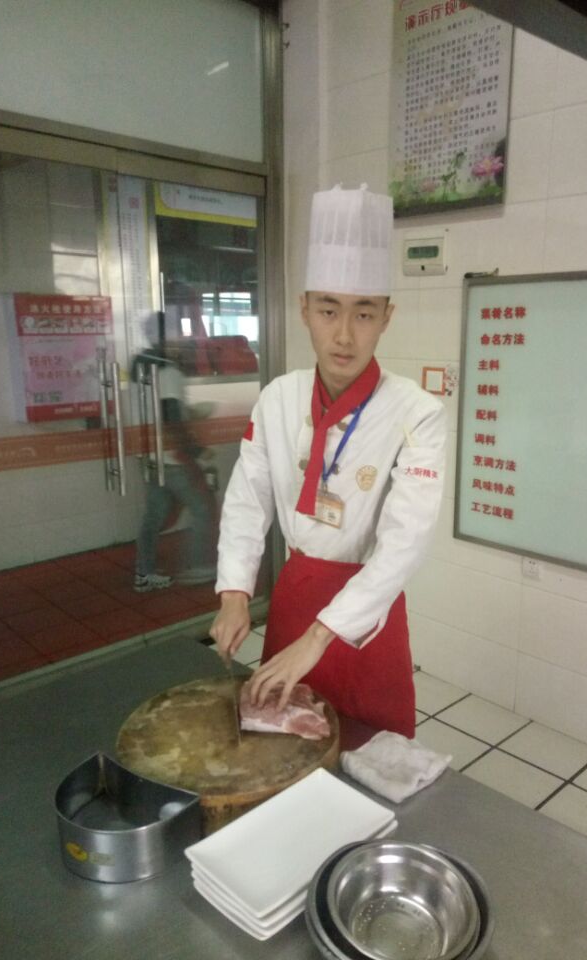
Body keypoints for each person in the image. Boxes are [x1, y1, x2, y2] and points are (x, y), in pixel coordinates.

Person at [209, 184, 446, 737]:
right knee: (283, 743)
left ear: (386, 317)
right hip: (294, 596)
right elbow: (247, 501)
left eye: (363, 313)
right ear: (304, 310)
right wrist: (234, 593)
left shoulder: (417, 413)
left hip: (367, 614)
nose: (344, 334)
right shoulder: (278, 398)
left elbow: (403, 545)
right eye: (328, 309)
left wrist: (319, 638)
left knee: (365, 749)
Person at [133, 339, 217, 592]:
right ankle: (197, 566)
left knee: (153, 516)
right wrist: (196, 449)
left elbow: (159, 410)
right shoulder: (168, 371)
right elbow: (170, 415)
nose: (184, 348)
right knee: (203, 509)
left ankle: (144, 572)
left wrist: (187, 412)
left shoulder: (142, 370)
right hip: (172, 457)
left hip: (148, 455)